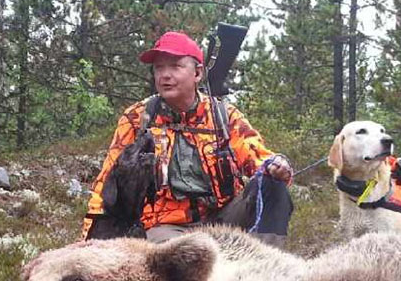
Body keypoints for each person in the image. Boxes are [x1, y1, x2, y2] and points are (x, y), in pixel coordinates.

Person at [81, 31, 294, 246]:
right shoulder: (137, 119)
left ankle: (265, 262)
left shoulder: (224, 116)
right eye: (159, 68)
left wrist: (275, 167)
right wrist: (88, 242)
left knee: (273, 187)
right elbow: (106, 184)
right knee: (182, 256)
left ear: (197, 73)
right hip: (164, 227)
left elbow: (256, 155)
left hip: (224, 219)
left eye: (175, 66)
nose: (165, 75)